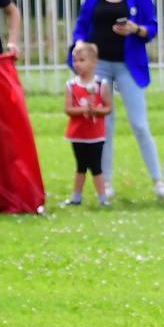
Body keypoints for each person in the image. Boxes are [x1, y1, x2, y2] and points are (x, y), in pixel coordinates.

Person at [72, 0, 164, 200]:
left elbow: (151, 27)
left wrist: (135, 29)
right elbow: (82, 25)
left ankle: (159, 182)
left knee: (140, 124)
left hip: (128, 65)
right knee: (104, 126)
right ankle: (105, 183)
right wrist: (78, 44)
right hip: (101, 65)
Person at [61, 42, 113, 207]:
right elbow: (68, 109)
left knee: (96, 166)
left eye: (82, 60)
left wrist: (96, 111)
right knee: (81, 165)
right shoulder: (71, 85)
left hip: (96, 134)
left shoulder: (100, 85)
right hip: (78, 134)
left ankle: (103, 198)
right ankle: (76, 196)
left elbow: (108, 108)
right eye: (75, 61)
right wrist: (84, 109)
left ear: (94, 62)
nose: (77, 64)